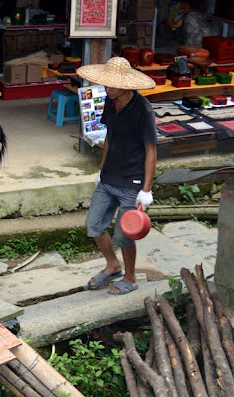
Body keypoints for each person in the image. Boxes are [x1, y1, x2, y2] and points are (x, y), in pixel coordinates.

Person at [76, 57, 157, 295]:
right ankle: (113, 265)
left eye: (111, 85)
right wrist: (101, 172)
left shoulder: (143, 110)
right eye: (105, 84)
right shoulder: (110, 103)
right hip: (109, 178)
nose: (106, 88)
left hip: (132, 183)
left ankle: (130, 278)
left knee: (124, 236)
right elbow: (109, 137)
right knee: (94, 226)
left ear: (125, 86)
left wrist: (146, 189)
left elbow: (151, 151)